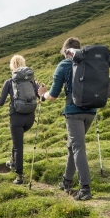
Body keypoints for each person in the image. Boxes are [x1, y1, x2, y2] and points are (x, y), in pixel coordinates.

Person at [37, 37, 96, 200]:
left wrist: (42, 95)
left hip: (73, 112)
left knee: (77, 147)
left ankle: (85, 188)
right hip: (91, 110)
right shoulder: (88, 64)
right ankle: (67, 181)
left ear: (65, 51)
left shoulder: (64, 65)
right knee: (72, 146)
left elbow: (53, 95)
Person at [0, 55, 36, 185]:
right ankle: (12, 162)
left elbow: (0, 103)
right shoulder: (31, 80)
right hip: (30, 118)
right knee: (17, 141)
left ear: (12, 66)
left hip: (16, 118)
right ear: (23, 64)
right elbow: (40, 95)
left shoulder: (9, 82)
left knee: (18, 146)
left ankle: (19, 176)